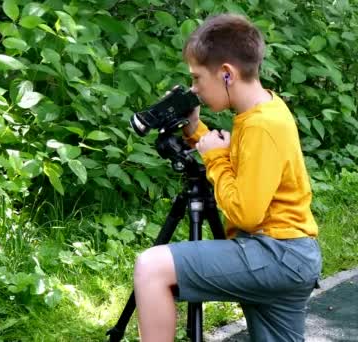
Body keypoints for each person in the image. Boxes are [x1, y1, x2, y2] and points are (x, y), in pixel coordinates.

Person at [133, 13, 322, 341]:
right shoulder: (264, 113)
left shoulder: (261, 126)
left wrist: (215, 158)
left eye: (196, 78)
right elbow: (243, 174)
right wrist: (196, 131)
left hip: (276, 253)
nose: (195, 89)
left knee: (152, 268)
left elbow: (246, 213)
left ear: (226, 74)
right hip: (292, 255)